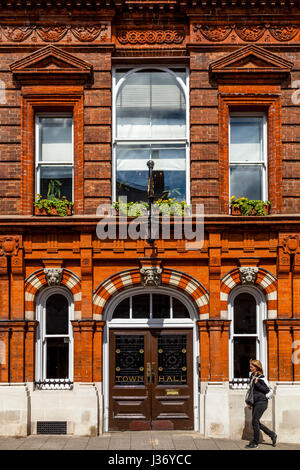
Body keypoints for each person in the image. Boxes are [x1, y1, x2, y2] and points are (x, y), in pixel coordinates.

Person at [245, 359, 277, 449]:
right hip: (255, 402)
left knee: (254, 421)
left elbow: (267, 390)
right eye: (250, 366)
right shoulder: (252, 376)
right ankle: (272, 434)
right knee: (255, 422)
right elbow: (252, 391)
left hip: (262, 402)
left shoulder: (261, 377)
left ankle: (255, 443)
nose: (250, 368)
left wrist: (257, 384)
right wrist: (250, 403)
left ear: (256, 367)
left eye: (252, 366)